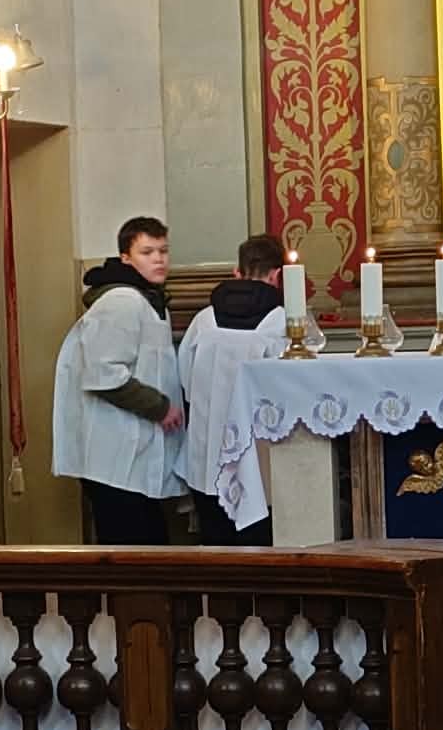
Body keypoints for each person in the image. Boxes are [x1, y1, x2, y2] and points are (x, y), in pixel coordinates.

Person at [52, 216, 185, 545]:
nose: (158, 259)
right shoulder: (121, 302)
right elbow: (104, 373)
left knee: (149, 543)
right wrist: (160, 407)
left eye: (163, 251)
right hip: (112, 453)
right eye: (147, 252)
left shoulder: (148, 300)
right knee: (130, 545)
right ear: (126, 258)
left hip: (132, 453)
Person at [178, 235, 286, 545]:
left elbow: (185, 380)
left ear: (237, 272)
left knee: (216, 543)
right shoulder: (281, 322)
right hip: (259, 457)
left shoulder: (204, 320)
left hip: (207, 453)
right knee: (261, 544)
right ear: (277, 275)